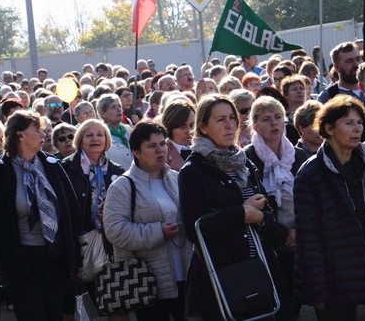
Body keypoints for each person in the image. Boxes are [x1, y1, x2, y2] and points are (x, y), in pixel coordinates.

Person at [294, 95, 365, 320]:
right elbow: (308, 238)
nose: (357, 129)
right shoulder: (310, 175)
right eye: (348, 123)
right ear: (329, 128)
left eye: (358, 123)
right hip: (337, 274)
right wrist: (318, 289)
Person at [179, 94, 292, 320]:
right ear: (203, 127)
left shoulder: (245, 163)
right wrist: (241, 213)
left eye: (232, 117)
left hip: (261, 269)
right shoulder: (193, 171)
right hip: (222, 276)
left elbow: (263, 212)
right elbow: (194, 229)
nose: (230, 124)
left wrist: (262, 220)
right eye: (221, 120)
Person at [0, 110, 79, 320]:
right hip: (21, 261)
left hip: (54, 257)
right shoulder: (1, 175)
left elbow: (71, 213)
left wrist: (77, 257)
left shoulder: (52, 167)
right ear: (20, 134)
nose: (43, 135)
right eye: (37, 130)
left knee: (54, 315)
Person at [104, 120, 192, 321]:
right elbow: (115, 230)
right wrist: (157, 232)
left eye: (162, 144)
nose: (160, 150)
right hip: (148, 281)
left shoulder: (177, 178)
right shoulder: (122, 186)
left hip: (186, 275)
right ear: (136, 152)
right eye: (152, 146)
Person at [244, 95, 307, 318]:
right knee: (278, 306)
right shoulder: (246, 159)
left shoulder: (299, 156)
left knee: (298, 300)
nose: (274, 123)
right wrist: (282, 235)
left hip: (301, 240)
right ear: (254, 125)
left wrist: (298, 233)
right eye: (266, 119)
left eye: (278, 117)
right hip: (267, 241)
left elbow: (310, 200)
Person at [62, 119, 124, 319]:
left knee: (116, 303)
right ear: (80, 140)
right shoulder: (65, 169)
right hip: (78, 248)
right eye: (89, 135)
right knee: (75, 308)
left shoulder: (117, 171)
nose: (95, 138)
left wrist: (110, 213)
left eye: (100, 134)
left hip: (111, 248)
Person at [97, 94, 134, 170]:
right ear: (103, 113)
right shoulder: (101, 134)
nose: (118, 109)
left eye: (119, 106)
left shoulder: (127, 129)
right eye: (113, 107)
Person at [161, 100, 195, 171]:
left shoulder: (204, 148)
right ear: (169, 128)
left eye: (192, 125)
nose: (189, 131)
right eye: (182, 127)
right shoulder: (162, 153)